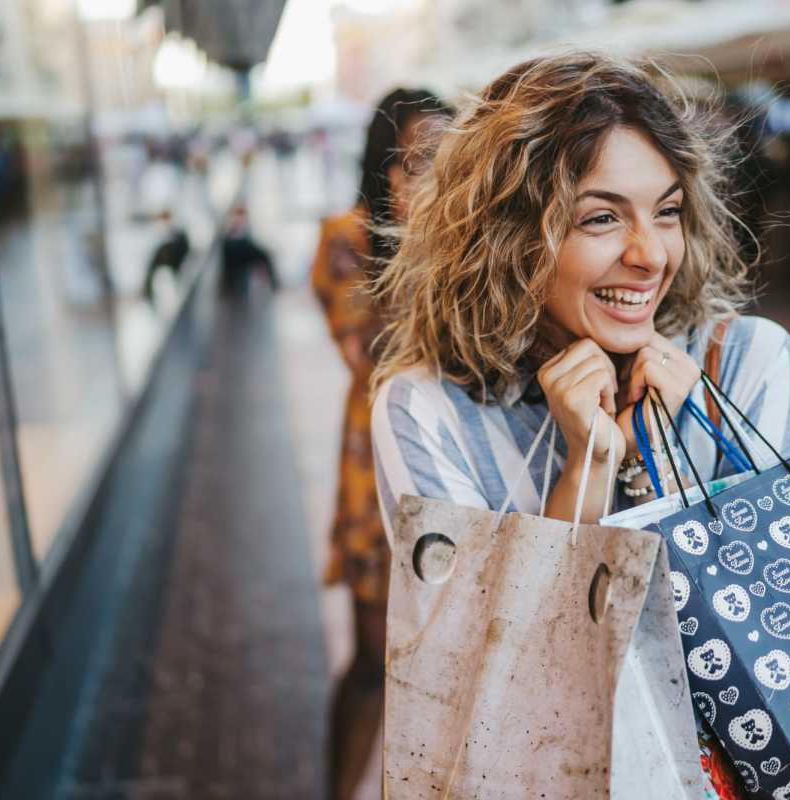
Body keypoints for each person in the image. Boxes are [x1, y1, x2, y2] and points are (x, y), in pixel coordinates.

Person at [369, 53, 790, 793]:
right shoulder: (428, 414)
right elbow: (490, 699)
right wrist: (587, 471)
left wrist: (675, 464)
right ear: (507, 233)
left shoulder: (746, 366)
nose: (649, 255)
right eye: (601, 217)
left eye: (666, 211)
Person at [310, 87, 450, 800]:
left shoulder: (466, 240)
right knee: (372, 658)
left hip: (452, 471)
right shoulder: (348, 239)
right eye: (418, 160)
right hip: (375, 470)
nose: (435, 177)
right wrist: (417, 239)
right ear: (384, 167)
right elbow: (378, 350)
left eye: (446, 159)